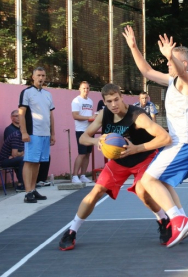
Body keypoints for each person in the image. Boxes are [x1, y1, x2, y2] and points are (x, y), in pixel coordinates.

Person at [59, 83, 172, 250]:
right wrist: (97, 141)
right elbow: (83, 138)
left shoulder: (137, 116)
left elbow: (165, 138)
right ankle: (72, 231)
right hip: (119, 160)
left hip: (143, 157)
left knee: (142, 191)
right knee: (96, 192)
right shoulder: (104, 114)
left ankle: (163, 220)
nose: (113, 104)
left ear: (122, 97)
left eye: (116, 99)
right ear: (104, 102)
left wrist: (136, 148)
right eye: (109, 101)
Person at [122, 26, 188, 248]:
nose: (168, 63)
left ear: (184, 64)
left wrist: (171, 55)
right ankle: (182, 217)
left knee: (147, 180)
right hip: (186, 142)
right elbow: (147, 71)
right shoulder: (171, 81)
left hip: (186, 141)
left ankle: (177, 220)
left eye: (171, 61)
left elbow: (182, 73)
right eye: (169, 60)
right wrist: (133, 47)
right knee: (162, 181)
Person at [19, 67, 55, 204]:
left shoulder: (47, 94)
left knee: (38, 162)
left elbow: (51, 115)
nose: (41, 78)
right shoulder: (27, 93)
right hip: (33, 133)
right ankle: (27, 192)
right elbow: (21, 113)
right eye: (38, 75)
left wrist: (53, 133)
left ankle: (33, 189)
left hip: (45, 133)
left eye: (43, 75)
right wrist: (24, 132)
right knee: (29, 161)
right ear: (33, 77)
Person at [71, 81, 94, 184]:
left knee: (88, 154)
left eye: (88, 88)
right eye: (84, 88)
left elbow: (91, 116)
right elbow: (75, 116)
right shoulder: (76, 101)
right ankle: (75, 176)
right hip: (81, 131)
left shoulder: (90, 101)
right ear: (79, 89)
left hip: (90, 131)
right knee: (81, 153)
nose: (86, 90)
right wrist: (89, 118)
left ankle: (83, 175)